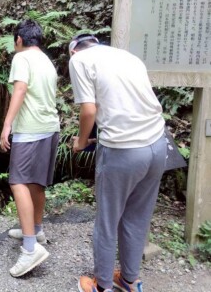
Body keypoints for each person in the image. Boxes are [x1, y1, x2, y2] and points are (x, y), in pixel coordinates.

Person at [68, 34, 166, 292]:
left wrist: (80, 142)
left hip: (123, 150)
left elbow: (89, 110)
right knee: (137, 216)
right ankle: (129, 280)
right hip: (157, 145)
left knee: (108, 220)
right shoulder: (126, 56)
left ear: (74, 51)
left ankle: (102, 286)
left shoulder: (79, 60)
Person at [0, 19, 60, 277]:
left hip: (30, 129)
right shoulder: (46, 60)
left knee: (18, 182)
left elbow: (20, 89)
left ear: (19, 40)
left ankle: (30, 248)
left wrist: (7, 125)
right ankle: (36, 229)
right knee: (36, 182)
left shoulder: (21, 58)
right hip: (50, 127)